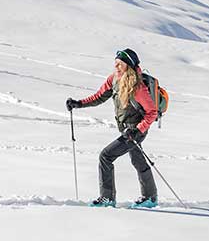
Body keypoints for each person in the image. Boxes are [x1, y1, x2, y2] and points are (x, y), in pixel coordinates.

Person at [66, 48, 163, 208]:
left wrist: (138, 130)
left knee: (106, 156)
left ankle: (107, 198)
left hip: (135, 131)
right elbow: (99, 96)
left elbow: (152, 112)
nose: (116, 67)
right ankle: (150, 198)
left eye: (120, 64)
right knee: (138, 161)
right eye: (115, 63)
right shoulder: (114, 79)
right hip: (126, 129)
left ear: (128, 66)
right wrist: (79, 103)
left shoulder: (137, 87)